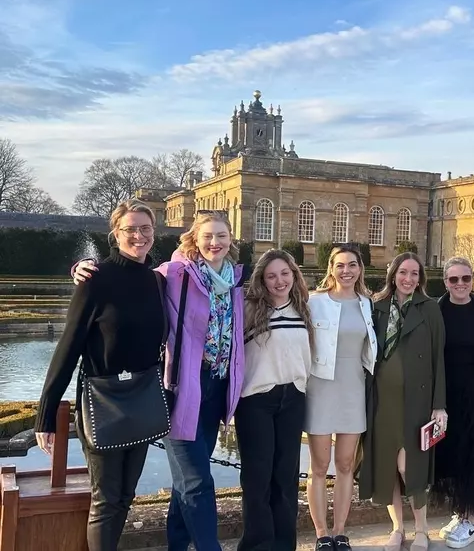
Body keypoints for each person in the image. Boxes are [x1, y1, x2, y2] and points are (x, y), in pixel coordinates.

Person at [72, 210, 247, 551]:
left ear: (231, 240)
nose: (215, 242)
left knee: (186, 482)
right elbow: (127, 278)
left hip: (216, 388)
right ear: (193, 240)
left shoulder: (238, 278)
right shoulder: (174, 273)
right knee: (197, 480)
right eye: (208, 236)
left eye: (222, 236)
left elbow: (279, 282)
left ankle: (177, 546)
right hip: (179, 389)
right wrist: (81, 269)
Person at [36, 199, 167, 551]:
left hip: (142, 397)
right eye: (130, 229)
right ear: (115, 233)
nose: (138, 236)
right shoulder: (95, 280)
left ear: (154, 232)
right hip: (102, 400)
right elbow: (68, 348)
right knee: (106, 499)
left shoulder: (157, 281)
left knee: (126, 494)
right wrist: (45, 415)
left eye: (145, 229)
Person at [359, 252, 446, 551]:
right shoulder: (376, 308)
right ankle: (397, 528)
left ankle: (422, 530)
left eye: (414, 274)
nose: (408, 279)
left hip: (417, 403)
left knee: (411, 468)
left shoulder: (430, 308)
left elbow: (439, 360)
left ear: (420, 278)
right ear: (393, 274)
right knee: (388, 468)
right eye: (403, 273)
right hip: (382, 403)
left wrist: (439, 404)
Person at [236, 249, 313, 551]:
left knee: (286, 477)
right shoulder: (248, 309)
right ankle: (258, 545)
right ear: (262, 280)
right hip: (256, 399)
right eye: (272, 276)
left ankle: (284, 544)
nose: (279, 281)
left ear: (294, 274)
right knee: (257, 478)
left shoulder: (305, 309)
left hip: (293, 397)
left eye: (284, 274)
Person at [306, 244, 377, 551]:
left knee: (346, 464)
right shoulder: (313, 301)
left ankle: (340, 531)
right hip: (320, 388)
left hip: (353, 388)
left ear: (360, 269)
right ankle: (322, 534)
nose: (346, 271)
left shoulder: (367, 303)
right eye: (340, 265)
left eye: (352, 265)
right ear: (330, 269)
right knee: (320, 466)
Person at [433, 257, 474, 549]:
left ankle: (470, 519)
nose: (460, 284)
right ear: (445, 282)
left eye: (466, 278)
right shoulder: (435, 310)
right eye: (453, 280)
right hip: (446, 393)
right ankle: (459, 513)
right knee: (453, 453)